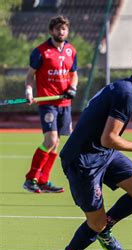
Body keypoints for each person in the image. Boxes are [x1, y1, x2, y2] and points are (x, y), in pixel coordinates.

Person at [56, 51, 132, 250]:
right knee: (94, 223)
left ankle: (106, 227)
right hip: (83, 161)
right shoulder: (126, 94)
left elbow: (106, 141)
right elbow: (109, 138)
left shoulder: (126, 87)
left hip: (103, 154)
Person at [23, 15, 78, 194]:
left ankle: (44, 180)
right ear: (51, 31)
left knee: (56, 144)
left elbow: (73, 74)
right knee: (51, 140)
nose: (61, 32)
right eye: (58, 29)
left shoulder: (71, 50)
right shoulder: (40, 52)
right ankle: (30, 179)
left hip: (65, 103)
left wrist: (73, 88)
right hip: (48, 102)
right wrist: (29, 92)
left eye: (64, 29)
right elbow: (30, 75)